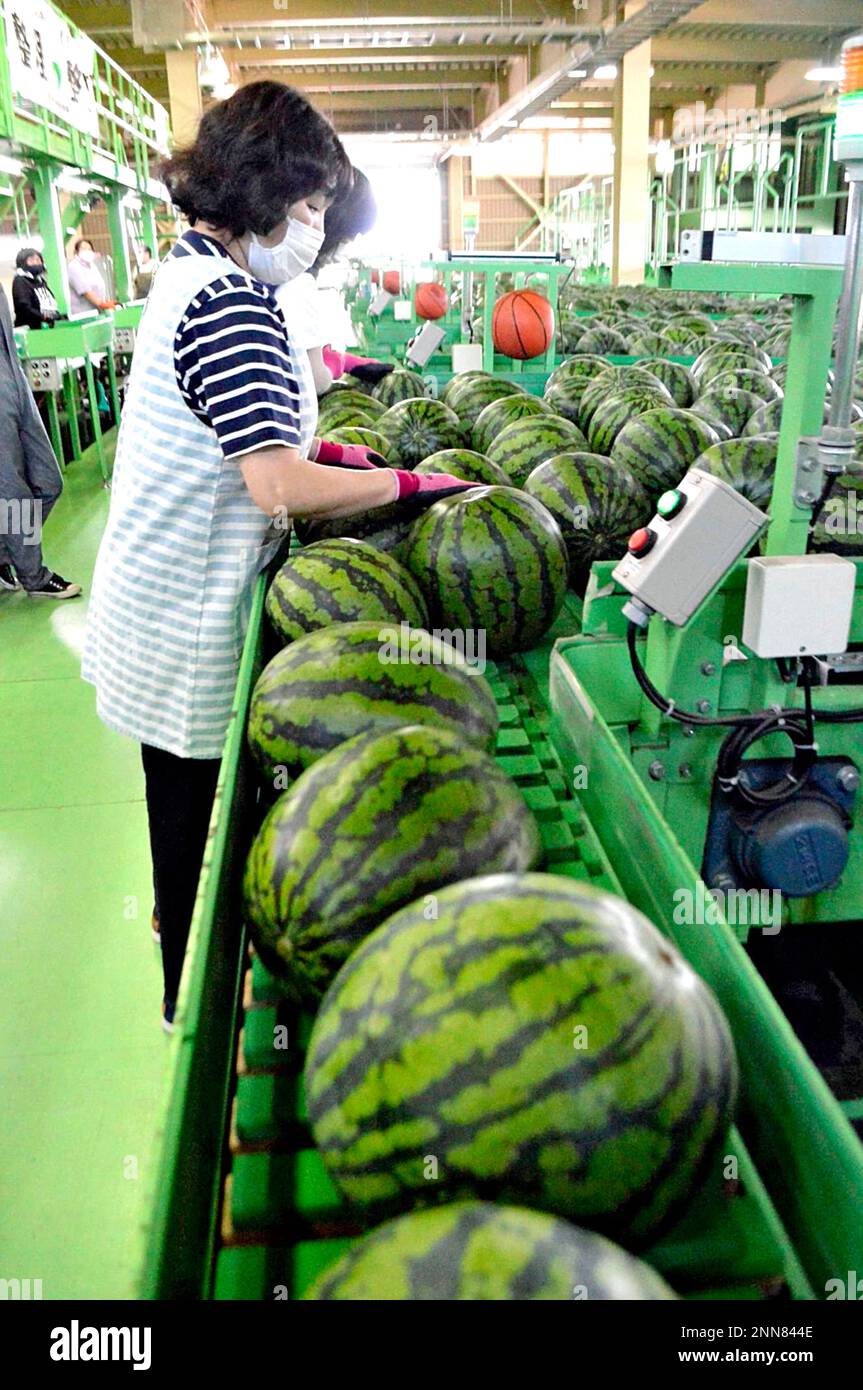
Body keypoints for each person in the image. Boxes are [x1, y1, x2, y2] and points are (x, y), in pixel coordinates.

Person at [81, 81, 470, 1034]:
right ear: (254, 194)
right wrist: (402, 487)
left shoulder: (192, 276)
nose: (309, 231)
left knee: (183, 824)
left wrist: (324, 452)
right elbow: (277, 487)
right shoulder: (228, 303)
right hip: (185, 620)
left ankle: (189, 980)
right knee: (194, 841)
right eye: (304, 210)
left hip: (159, 598)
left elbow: (255, 438)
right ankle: (192, 1008)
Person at [277, 168, 393, 394]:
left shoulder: (280, 271)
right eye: (351, 235)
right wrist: (335, 364)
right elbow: (314, 380)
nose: (350, 243)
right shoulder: (297, 285)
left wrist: (346, 361)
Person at [0, 284, 81, 598]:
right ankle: (34, 575)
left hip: (14, 375)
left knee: (49, 482)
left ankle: (6, 556)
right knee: (13, 491)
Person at [12, 247, 62, 329]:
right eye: (31, 260)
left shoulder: (40, 280)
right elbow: (23, 307)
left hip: (47, 327)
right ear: (23, 263)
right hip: (31, 329)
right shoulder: (20, 280)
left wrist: (56, 316)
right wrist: (44, 317)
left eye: (38, 260)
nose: (36, 263)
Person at [68, 238, 116, 315]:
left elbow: (99, 286)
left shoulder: (92, 266)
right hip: (82, 313)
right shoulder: (73, 267)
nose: (87, 251)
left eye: (89, 249)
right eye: (83, 249)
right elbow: (85, 290)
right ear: (76, 252)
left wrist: (105, 302)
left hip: (96, 311)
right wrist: (101, 304)